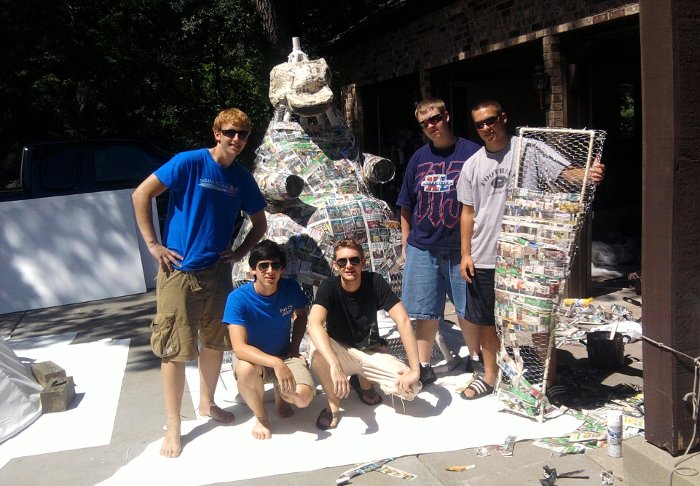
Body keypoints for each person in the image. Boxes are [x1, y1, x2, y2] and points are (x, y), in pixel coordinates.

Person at [132, 108, 267, 457]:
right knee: (174, 349)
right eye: (230, 132)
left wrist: (238, 254)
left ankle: (206, 404)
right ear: (216, 133)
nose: (236, 139)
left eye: (242, 134)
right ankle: (174, 426)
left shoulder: (242, 178)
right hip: (178, 271)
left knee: (215, 342)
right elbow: (141, 194)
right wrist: (152, 244)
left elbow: (260, 224)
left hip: (217, 272)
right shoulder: (188, 162)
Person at [456, 99, 605, 399]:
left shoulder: (529, 150)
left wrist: (588, 173)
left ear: (504, 118)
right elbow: (467, 212)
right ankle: (489, 376)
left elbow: (564, 173)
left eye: (491, 120)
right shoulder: (472, 165)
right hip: (484, 256)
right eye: (480, 124)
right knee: (487, 321)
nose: (487, 128)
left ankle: (551, 379)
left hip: (526, 256)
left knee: (536, 320)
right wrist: (465, 254)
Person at [396, 97, 482, 384]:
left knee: (467, 308)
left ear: (447, 116)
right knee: (424, 310)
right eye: (424, 123)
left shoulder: (472, 152)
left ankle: (476, 359)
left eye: (435, 118)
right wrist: (406, 244)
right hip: (423, 247)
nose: (431, 126)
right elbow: (406, 204)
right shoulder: (418, 159)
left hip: (462, 248)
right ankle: (423, 365)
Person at [307, 239, 422, 430]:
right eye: (342, 262)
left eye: (354, 260)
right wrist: (334, 364)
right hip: (340, 352)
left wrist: (415, 369)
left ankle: (364, 385)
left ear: (363, 263)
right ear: (335, 266)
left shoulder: (374, 281)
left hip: (369, 351)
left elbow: (403, 321)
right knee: (317, 352)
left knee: (411, 388)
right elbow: (314, 323)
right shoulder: (329, 286)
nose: (349, 266)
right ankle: (333, 405)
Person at [222, 240, 314, 439]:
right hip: (256, 360)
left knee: (303, 399)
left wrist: (294, 348)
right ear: (253, 270)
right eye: (263, 265)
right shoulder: (237, 298)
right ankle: (261, 416)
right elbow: (239, 348)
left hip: (284, 353)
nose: (270, 271)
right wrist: (276, 363)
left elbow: (302, 314)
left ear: (282, 269)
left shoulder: (290, 288)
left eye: (276, 265)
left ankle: (283, 399)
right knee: (245, 370)